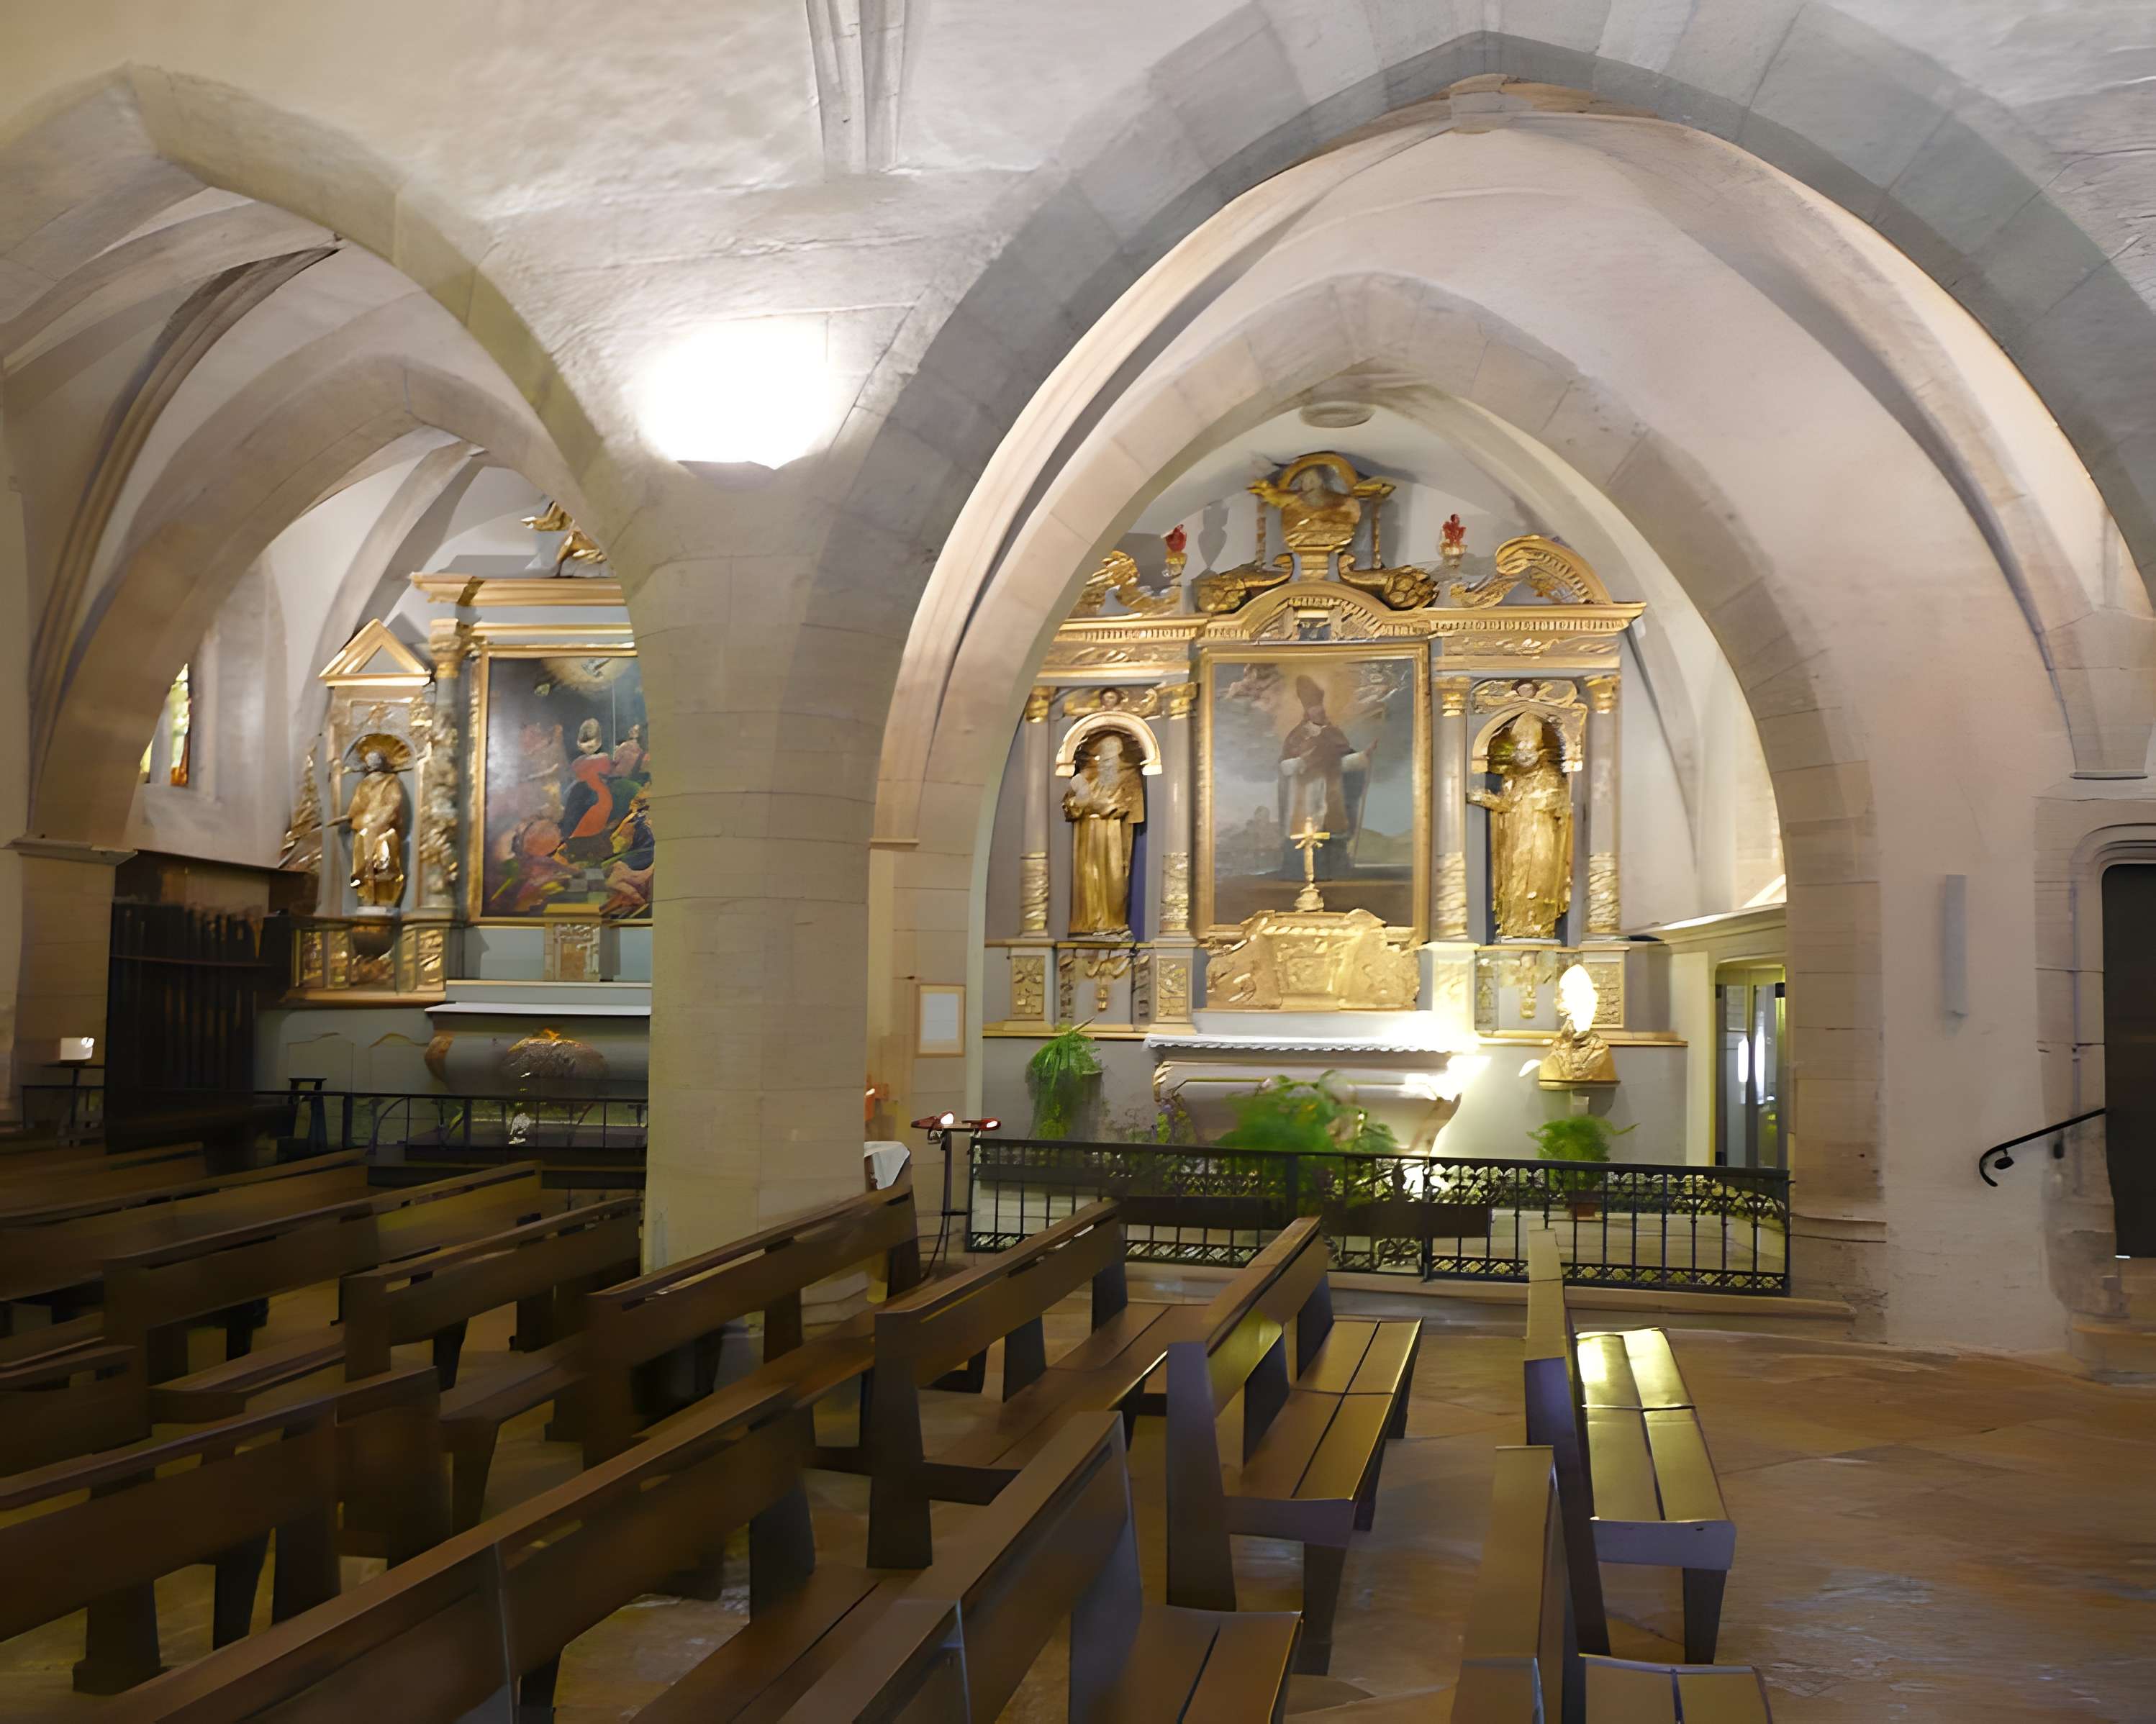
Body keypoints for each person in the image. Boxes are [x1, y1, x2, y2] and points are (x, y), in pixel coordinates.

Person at [1469, 714, 1574, 939]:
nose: (1523, 754)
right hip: (1515, 837)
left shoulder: (1552, 777)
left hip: (1542, 837)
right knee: (1514, 880)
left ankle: (1540, 928)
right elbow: (1506, 803)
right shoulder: (1511, 777)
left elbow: (1562, 804)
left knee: (1539, 879)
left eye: (1529, 749)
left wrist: (1541, 800)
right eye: (1519, 749)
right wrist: (1484, 798)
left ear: (1540, 751)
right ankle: (1513, 927)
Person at [1276, 676, 1369, 879]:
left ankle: (1334, 873)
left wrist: (1362, 758)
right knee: (1304, 840)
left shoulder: (1334, 733)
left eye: (1320, 706)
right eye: (1315, 707)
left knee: (1332, 838)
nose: (1320, 710)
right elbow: (1285, 767)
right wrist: (1304, 761)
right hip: (1304, 798)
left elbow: (1341, 762)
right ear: (1307, 711)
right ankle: (1298, 875)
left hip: (1331, 797)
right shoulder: (1297, 736)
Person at [1064, 732, 1144, 934]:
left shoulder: (1129, 776)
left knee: (1115, 881)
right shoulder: (1086, 776)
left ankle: (1113, 924)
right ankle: (1087, 924)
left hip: (1113, 834)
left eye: (1113, 755)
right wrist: (1079, 803)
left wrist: (1105, 806)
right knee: (1088, 878)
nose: (1109, 760)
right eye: (1105, 755)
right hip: (1087, 832)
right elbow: (1069, 804)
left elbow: (1130, 807)